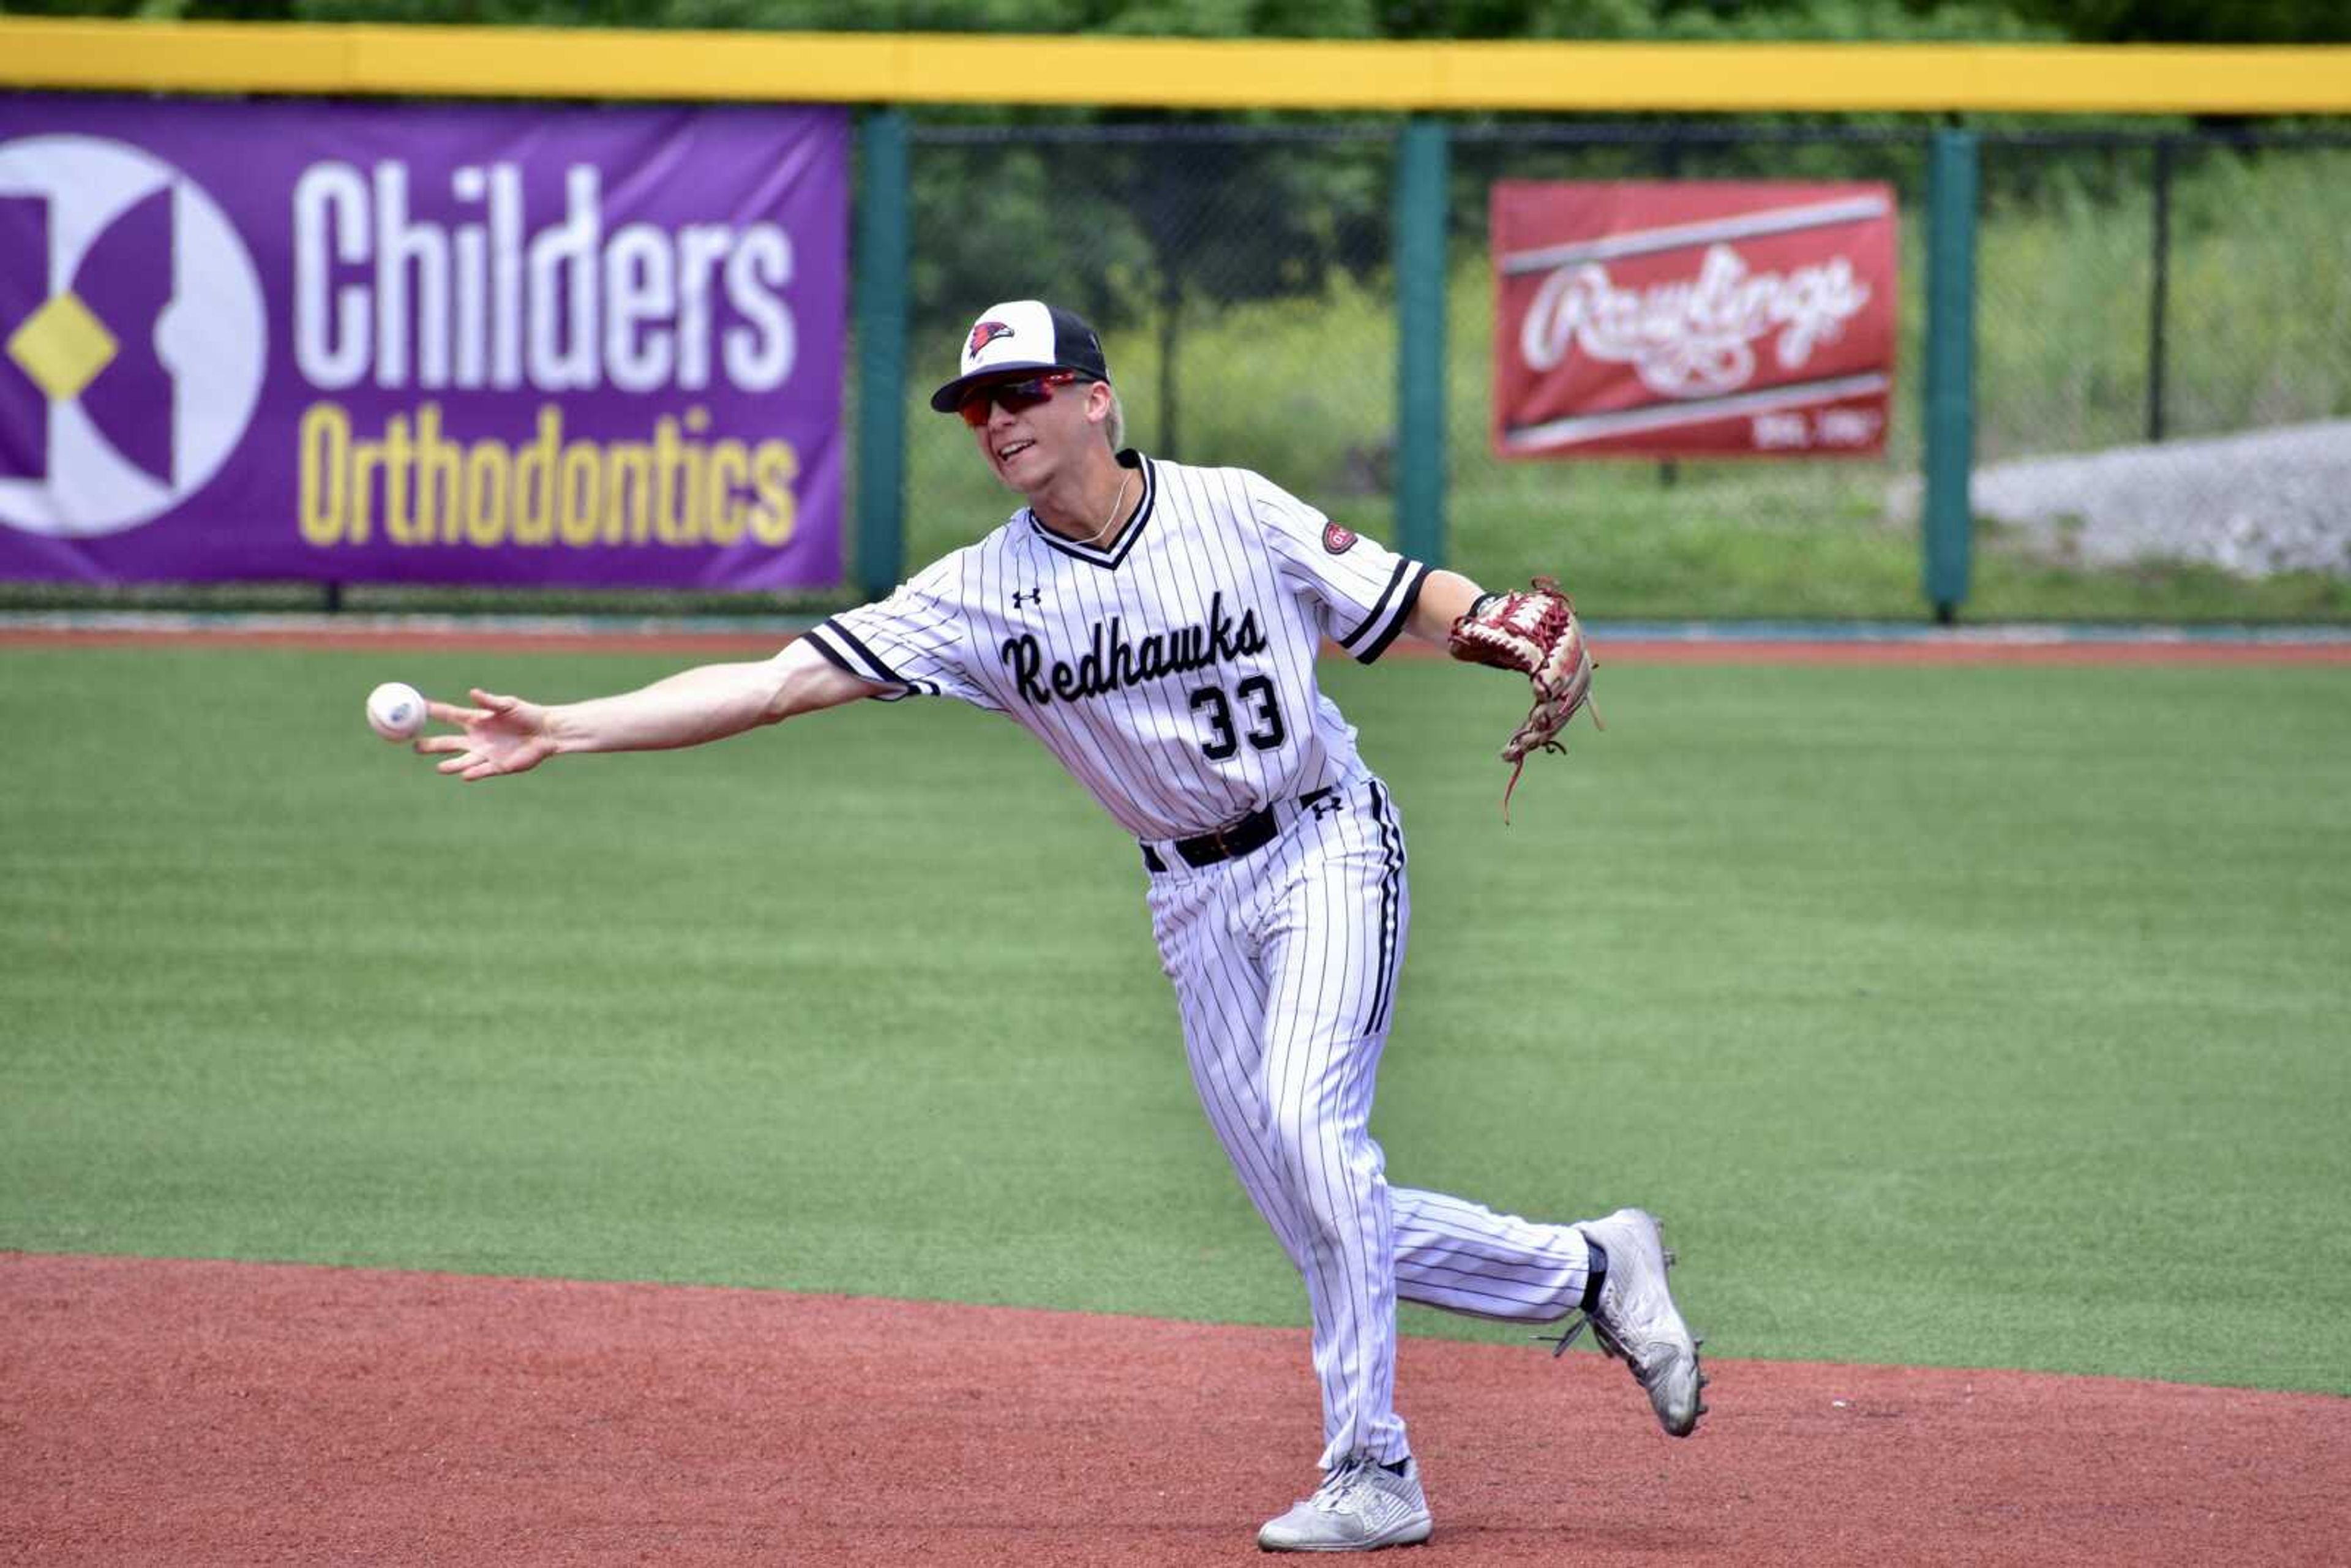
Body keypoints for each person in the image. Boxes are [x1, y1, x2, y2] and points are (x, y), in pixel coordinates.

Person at [416, 299, 1705, 1553]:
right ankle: (1590, 1270)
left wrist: (1490, 622)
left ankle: (1373, 1469)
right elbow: (771, 684)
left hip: (1325, 844)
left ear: (1098, 400)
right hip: (1189, 899)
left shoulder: (1235, 509)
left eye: (1023, 392)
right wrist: (569, 725)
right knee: (1321, 1210)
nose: (997, 421)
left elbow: (1414, 591)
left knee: (1320, 1139)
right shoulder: (980, 594)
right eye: (978, 405)